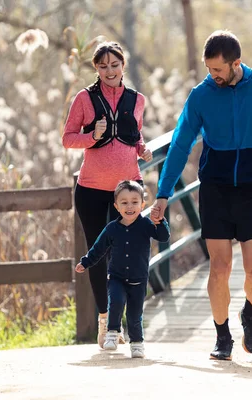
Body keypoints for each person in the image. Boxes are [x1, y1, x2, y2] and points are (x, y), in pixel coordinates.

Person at [150, 30, 252, 361]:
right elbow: (179, 145)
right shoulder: (201, 95)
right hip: (216, 188)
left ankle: (250, 311)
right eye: (209, 70)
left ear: (236, 63)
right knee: (219, 267)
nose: (212, 76)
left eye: (217, 70)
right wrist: (163, 193)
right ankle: (222, 337)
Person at [63, 41, 153, 348]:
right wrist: (92, 136)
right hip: (91, 190)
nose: (109, 71)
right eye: (103, 66)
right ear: (96, 68)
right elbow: (68, 139)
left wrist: (143, 149)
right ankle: (105, 322)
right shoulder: (85, 99)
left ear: (123, 65)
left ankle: (121, 323)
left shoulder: (137, 99)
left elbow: (134, 134)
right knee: (99, 255)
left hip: (127, 191)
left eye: (114, 65)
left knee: (126, 257)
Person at [75, 180, 170, 358]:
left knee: (135, 315)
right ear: (116, 206)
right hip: (116, 278)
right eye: (124, 202)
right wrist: (86, 262)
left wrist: (160, 221)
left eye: (135, 202)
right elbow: (98, 248)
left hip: (138, 280)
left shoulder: (146, 226)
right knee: (116, 302)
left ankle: (137, 343)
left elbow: (163, 237)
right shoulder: (112, 229)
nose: (129, 207)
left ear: (142, 205)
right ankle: (112, 333)